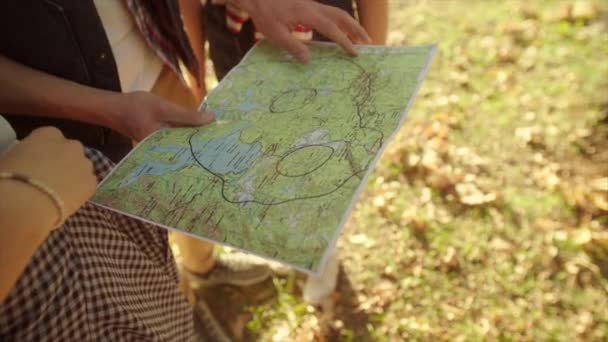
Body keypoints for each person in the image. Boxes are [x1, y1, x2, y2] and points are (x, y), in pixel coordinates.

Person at [0, 0, 370, 339]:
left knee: (195, 200)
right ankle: (183, 307)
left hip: (159, 67)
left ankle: (202, 269)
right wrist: (107, 108)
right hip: (68, 127)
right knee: (132, 274)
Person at [196, 0, 388, 305]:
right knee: (261, 150)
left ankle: (320, 259)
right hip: (237, 31)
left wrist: (374, 56)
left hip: (324, 24)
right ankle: (288, 239)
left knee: (325, 157)